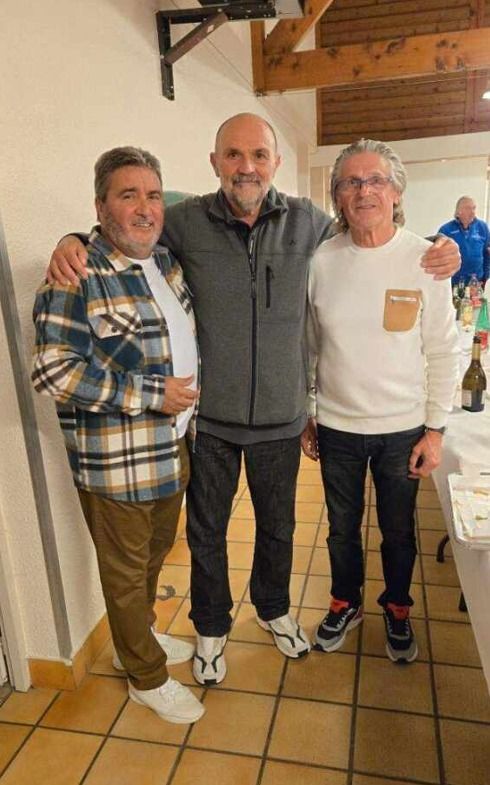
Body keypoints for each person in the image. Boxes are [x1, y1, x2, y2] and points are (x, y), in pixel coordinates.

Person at [46, 114, 461, 685]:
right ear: (215, 162)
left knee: (278, 529)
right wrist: (72, 239)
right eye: (234, 155)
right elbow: (128, 227)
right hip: (210, 422)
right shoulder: (184, 221)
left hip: (282, 421)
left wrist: (443, 246)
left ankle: (273, 609)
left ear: (276, 163)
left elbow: (372, 237)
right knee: (206, 534)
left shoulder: (309, 224)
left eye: (259, 155)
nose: (247, 167)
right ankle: (211, 627)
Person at [32, 147, 204, 724]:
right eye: (128, 195)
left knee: (155, 555)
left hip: (172, 447)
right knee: (126, 575)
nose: (145, 208)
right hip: (116, 463)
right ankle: (145, 677)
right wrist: (152, 393)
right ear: (101, 207)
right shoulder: (76, 274)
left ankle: (140, 638)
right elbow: (54, 371)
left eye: (152, 195)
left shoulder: (167, 264)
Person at [302, 139, 460, 664]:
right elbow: (308, 345)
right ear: (337, 196)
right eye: (350, 182)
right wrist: (309, 411)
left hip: (403, 430)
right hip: (338, 427)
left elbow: (443, 349)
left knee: (397, 531)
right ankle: (344, 602)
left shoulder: (425, 260)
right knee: (341, 529)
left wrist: (435, 429)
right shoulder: (321, 261)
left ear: (395, 192)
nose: (363, 190)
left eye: (375, 180)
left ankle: (397, 606)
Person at [438, 196, 490, 286]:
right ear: (458, 211)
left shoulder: (482, 227)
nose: (473, 212)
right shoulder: (446, 230)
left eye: (474, 208)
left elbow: (487, 254)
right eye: (468, 208)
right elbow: (439, 257)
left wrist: (486, 278)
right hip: (453, 282)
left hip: (476, 282)